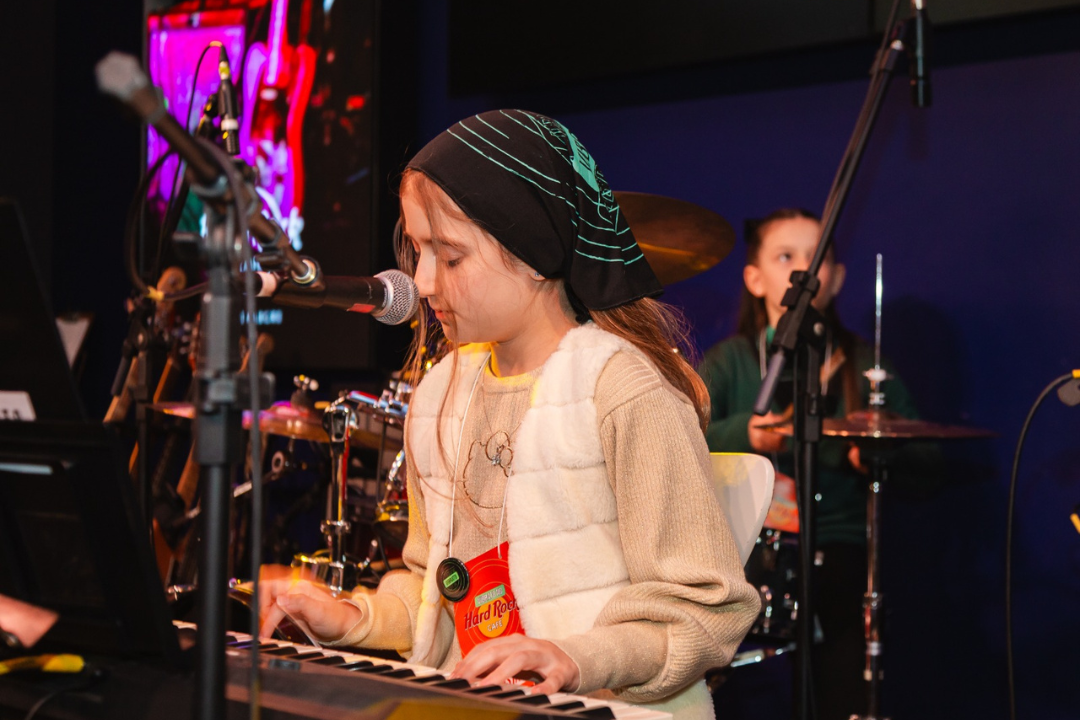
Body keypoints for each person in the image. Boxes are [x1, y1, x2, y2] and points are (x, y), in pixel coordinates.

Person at [259, 109, 759, 720]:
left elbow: (708, 609)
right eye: (417, 250)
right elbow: (430, 590)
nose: (420, 282)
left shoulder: (620, 389)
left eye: (450, 255)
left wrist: (575, 658)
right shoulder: (439, 393)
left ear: (534, 250)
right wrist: (354, 618)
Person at [698, 208, 935, 720]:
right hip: (744, 554)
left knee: (842, 684)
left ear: (838, 277)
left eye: (817, 257)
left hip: (840, 551)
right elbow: (677, 445)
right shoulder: (728, 362)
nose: (804, 270)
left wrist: (877, 449)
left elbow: (928, 454)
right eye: (786, 257)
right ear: (755, 279)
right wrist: (744, 432)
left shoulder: (866, 364)